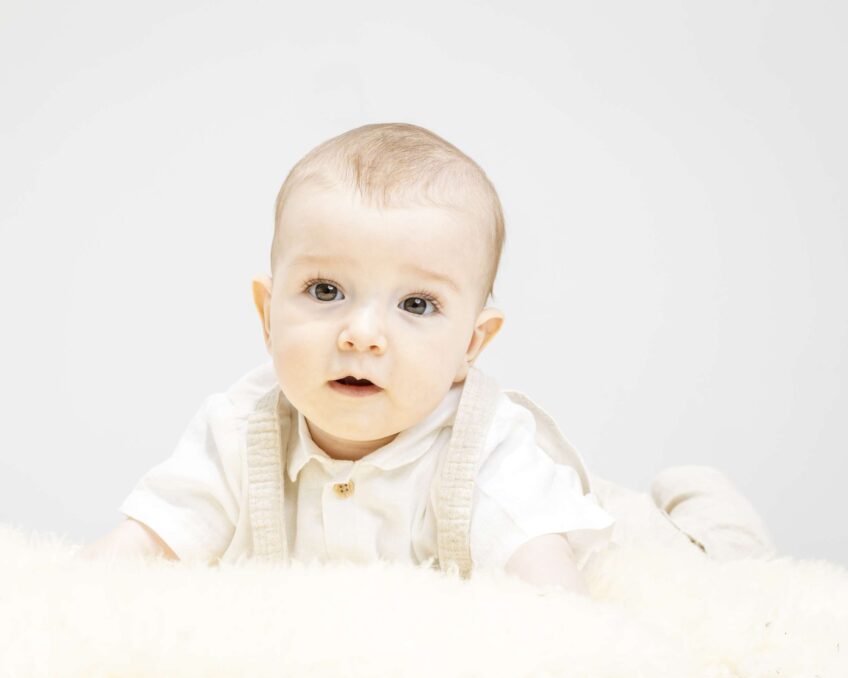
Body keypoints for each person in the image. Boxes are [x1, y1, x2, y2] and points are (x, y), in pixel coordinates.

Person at [81, 122, 753, 596]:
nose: (362, 334)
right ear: (266, 313)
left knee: (708, 570)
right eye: (325, 291)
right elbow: (148, 540)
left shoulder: (490, 452)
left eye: (417, 305)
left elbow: (555, 604)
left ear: (471, 346)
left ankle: (700, 499)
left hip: (590, 516)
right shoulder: (237, 430)